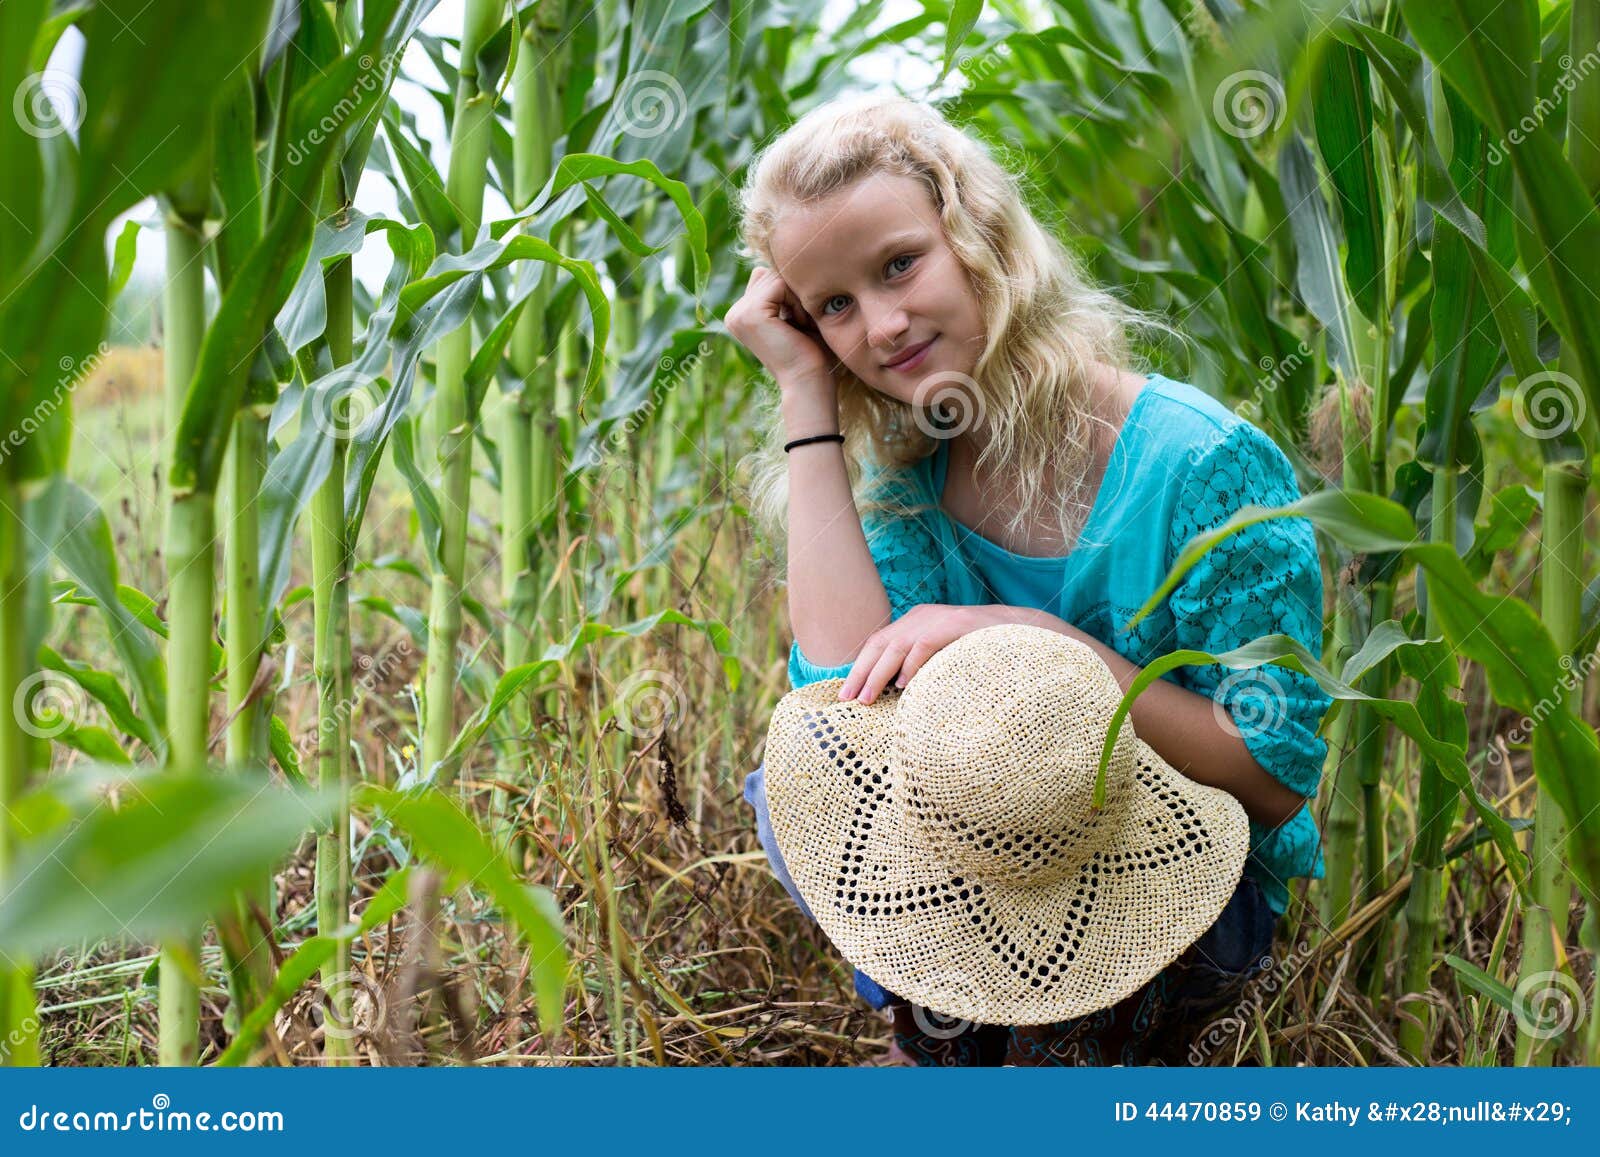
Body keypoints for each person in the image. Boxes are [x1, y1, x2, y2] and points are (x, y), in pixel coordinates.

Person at [723, 93, 1332, 1066]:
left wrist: (1053, 650)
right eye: (833, 304)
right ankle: (966, 1031)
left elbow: (1272, 776)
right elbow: (837, 704)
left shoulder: (1201, 466)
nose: (879, 325)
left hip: (1187, 897)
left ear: (981, 237)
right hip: (987, 874)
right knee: (783, 788)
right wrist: (803, 389)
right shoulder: (911, 479)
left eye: (898, 264)